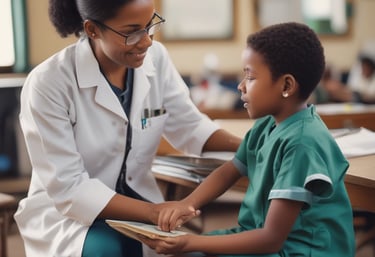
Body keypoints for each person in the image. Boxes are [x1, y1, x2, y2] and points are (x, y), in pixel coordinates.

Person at [13, 0, 241, 256]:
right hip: (74, 215)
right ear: (92, 30)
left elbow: (190, 125)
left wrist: (246, 146)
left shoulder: (157, 59)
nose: (146, 42)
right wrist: (154, 212)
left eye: (149, 25)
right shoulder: (49, 83)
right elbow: (69, 188)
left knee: (193, 252)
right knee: (106, 251)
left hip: (142, 205)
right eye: (132, 32)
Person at [141, 22, 356, 257]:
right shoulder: (266, 124)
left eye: (250, 77)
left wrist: (192, 242)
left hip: (300, 250)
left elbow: (271, 239)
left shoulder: (302, 143)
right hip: (265, 238)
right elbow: (229, 171)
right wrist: (187, 204)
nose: (241, 86)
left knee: (191, 250)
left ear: (286, 85)